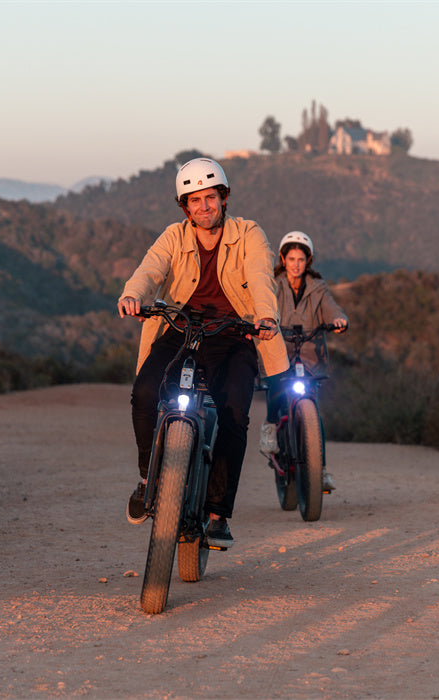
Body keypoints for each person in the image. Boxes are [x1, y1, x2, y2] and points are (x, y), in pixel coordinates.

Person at [117, 157, 288, 548]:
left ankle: (217, 513)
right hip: (181, 328)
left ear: (223, 198)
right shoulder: (173, 236)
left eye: (210, 198)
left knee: (234, 412)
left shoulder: (248, 234)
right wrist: (132, 294)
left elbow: (262, 278)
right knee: (144, 391)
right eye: (195, 201)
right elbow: (150, 269)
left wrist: (265, 316)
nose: (204, 207)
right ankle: (147, 479)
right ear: (185, 207)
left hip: (235, 331)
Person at [260, 231, 348, 492]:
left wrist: (339, 319)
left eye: (301, 259)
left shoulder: (318, 288)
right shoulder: (273, 285)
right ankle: (271, 425)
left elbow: (332, 308)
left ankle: (319, 471)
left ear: (308, 261)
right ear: (283, 259)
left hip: (310, 355)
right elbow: (263, 306)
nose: (296, 264)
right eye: (291, 258)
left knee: (314, 411)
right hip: (280, 351)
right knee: (276, 383)